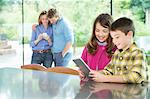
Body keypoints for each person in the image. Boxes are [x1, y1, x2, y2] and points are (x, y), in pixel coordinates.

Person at [89, 17, 149, 83]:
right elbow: (108, 71)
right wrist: (94, 73)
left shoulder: (138, 53)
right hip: (118, 92)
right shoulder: (117, 53)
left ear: (129, 34)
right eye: (113, 38)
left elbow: (136, 77)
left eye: (117, 37)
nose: (114, 41)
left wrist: (105, 78)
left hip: (135, 92)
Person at [79, 13, 116, 79]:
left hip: (107, 85)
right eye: (97, 30)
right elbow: (82, 64)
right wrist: (80, 71)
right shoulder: (89, 46)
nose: (100, 34)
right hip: (89, 85)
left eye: (104, 31)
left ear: (111, 32)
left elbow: (116, 71)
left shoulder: (116, 48)